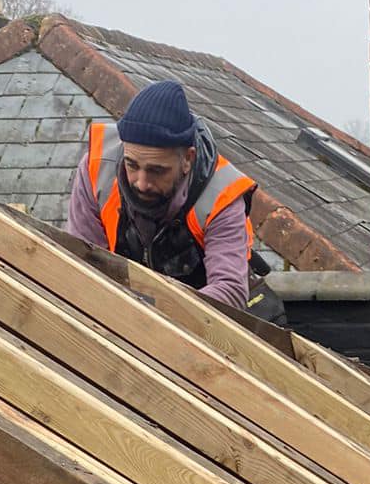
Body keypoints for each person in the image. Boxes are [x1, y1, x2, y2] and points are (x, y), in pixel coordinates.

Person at [67, 77, 281, 317]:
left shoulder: (222, 194)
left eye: (157, 171)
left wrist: (152, 316)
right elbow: (84, 260)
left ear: (188, 159)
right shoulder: (97, 168)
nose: (142, 182)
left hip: (209, 321)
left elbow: (229, 291)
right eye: (132, 165)